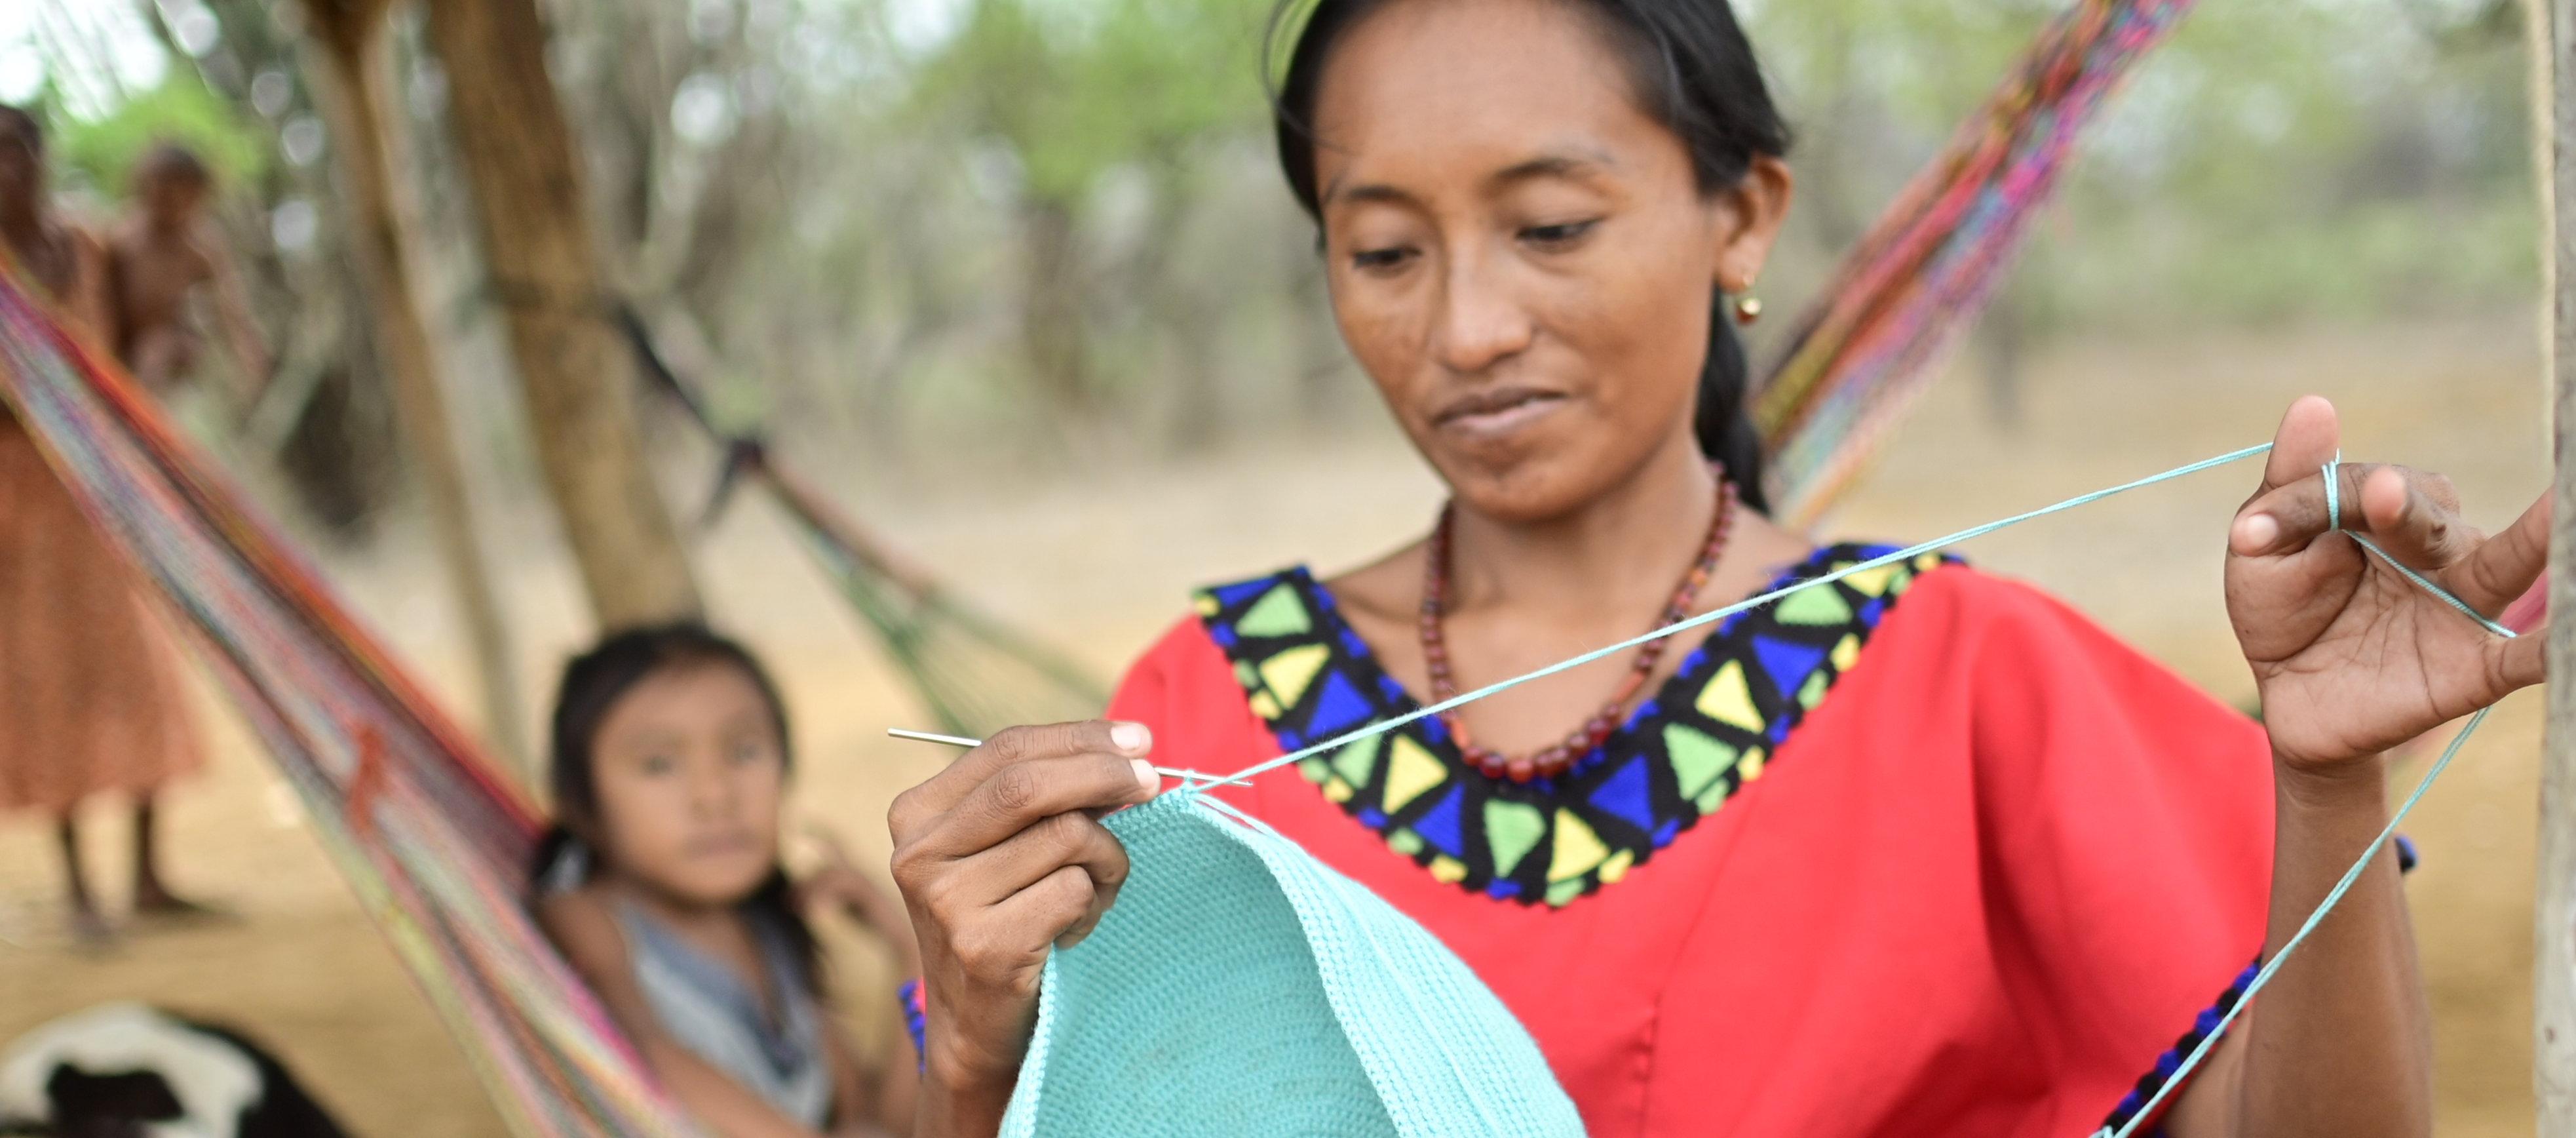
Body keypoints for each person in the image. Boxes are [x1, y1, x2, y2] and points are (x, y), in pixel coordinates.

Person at [879, 2, 2547, 1136]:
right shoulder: (1198, 717)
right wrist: (973, 1058)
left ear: (1741, 217)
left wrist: (2326, 783)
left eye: (1549, 225)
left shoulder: (1969, 682)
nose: (1462, 327)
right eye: (1383, 249)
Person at [532, 624, 921, 1137]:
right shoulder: (588, 916)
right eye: (659, 764)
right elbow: (638, 1052)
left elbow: (886, 1122)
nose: (715, 796)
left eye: (743, 752)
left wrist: (913, 952)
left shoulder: (772, 937)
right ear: (583, 806)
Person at [0, 105, 212, 945]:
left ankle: (151, 875)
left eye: (21, 154)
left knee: (135, 668)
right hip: (19, 511)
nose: (10, 174)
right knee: (44, 681)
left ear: (44, 161)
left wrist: (167, 354)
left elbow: (131, 351)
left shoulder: (89, 249)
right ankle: (80, 889)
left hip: (103, 500)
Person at [102, 142, 269, 399]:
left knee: (160, 351)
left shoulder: (201, 246)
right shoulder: (122, 239)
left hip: (169, 350)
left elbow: (230, 307)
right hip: (119, 348)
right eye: (161, 188)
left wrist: (247, 351)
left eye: (182, 191)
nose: (171, 199)